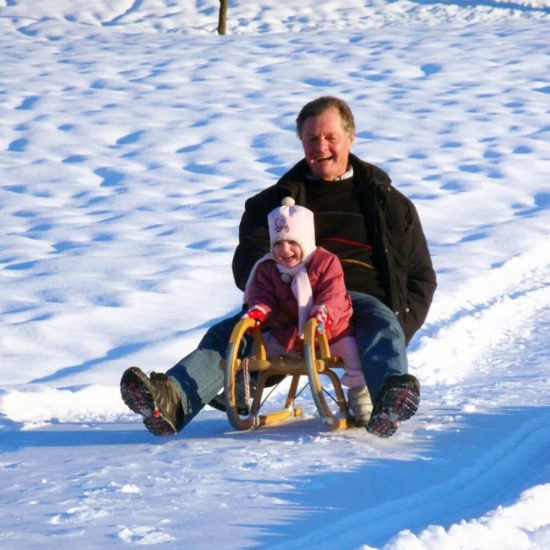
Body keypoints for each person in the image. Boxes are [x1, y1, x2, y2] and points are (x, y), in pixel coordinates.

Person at [120, 96, 436, 438]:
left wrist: (401, 323)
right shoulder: (273, 203)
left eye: (330, 137)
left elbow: (420, 277)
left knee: (381, 323)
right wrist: (275, 280)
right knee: (226, 334)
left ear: (350, 137)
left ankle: (390, 396)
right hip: (289, 299)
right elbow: (249, 257)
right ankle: (170, 399)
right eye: (312, 139)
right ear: (301, 143)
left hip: (356, 302)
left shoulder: (387, 203)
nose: (322, 147)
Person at [238, 196, 371, 424]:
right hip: (289, 333)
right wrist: (259, 310)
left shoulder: (325, 262)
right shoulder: (268, 268)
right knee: (252, 351)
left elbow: (333, 293)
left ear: (306, 241)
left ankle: (361, 397)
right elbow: (263, 295)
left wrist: (322, 312)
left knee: (353, 353)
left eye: (292, 243)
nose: (284, 250)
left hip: (330, 332)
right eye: (277, 244)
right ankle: (242, 389)